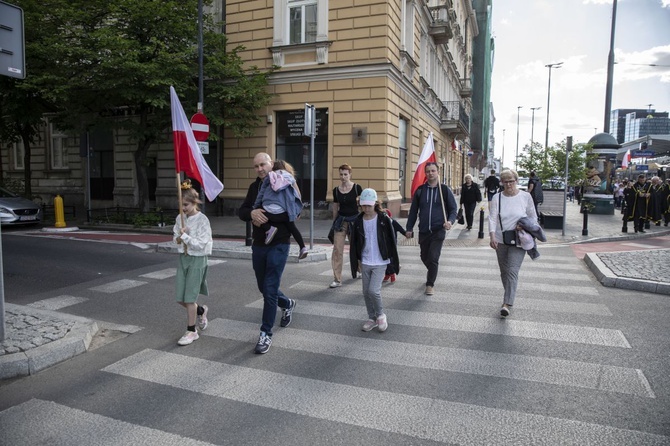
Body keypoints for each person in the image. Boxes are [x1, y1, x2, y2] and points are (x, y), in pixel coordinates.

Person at [239, 152, 296, 354]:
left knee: (270, 288)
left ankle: (265, 334)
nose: (260, 169)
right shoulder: (254, 187)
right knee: (263, 287)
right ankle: (287, 303)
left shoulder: (284, 182)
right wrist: (251, 213)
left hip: (279, 243)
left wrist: (273, 217)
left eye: (262, 164)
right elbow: (242, 210)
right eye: (256, 166)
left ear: (270, 164)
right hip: (260, 244)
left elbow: (295, 212)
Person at [488, 169, 538, 318]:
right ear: (501, 183)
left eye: (511, 181)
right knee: (504, 272)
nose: (509, 184)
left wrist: (523, 226)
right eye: (505, 181)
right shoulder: (497, 197)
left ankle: (507, 303)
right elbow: (492, 218)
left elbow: (533, 217)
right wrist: (492, 236)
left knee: (512, 270)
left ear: (516, 181)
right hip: (500, 239)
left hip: (519, 239)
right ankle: (509, 294)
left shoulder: (526, 196)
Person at [349, 188, 400, 332]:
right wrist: (357, 261)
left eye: (369, 206)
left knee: (373, 290)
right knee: (366, 291)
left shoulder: (383, 219)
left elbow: (391, 240)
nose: (366, 208)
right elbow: (355, 243)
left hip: (380, 261)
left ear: (375, 204)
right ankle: (371, 318)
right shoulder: (359, 220)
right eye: (363, 205)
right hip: (365, 260)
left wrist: (394, 261)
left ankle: (381, 315)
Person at [405, 162, 458, 295]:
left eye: (433, 171)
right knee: (424, 256)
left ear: (437, 172)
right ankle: (432, 271)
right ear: (425, 173)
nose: (430, 173)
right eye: (428, 171)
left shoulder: (444, 190)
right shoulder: (420, 191)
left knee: (433, 257)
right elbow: (413, 211)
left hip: (438, 230)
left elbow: (453, 209)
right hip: (423, 230)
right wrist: (409, 227)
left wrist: (450, 221)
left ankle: (430, 284)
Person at [173, 180, 213, 346]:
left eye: (186, 205)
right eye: (181, 205)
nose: (183, 209)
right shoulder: (180, 218)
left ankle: (191, 331)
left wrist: (186, 236)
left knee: (189, 299)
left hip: (198, 259)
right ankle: (201, 311)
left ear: (195, 203)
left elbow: (202, 244)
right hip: (184, 258)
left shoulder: (202, 220)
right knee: (180, 298)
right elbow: (175, 239)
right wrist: (179, 236)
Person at [253, 160, 308, 259]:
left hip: (269, 213)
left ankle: (269, 228)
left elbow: (261, 194)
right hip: (283, 213)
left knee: (258, 215)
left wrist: (256, 207)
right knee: (292, 227)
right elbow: (297, 195)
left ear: (273, 168)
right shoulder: (290, 177)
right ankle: (303, 247)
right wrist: (297, 211)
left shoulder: (269, 176)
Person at [329, 163, 363, 288]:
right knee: (337, 250)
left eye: (345, 174)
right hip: (341, 222)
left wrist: (363, 219)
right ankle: (337, 279)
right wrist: (334, 223)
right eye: (341, 174)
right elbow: (335, 207)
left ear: (350, 175)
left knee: (357, 247)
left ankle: (359, 269)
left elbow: (362, 205)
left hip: (354, 220)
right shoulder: (336, 191)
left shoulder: (357, 188)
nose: (343, 177)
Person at [382, 209, 408, 283]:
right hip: (383, 244)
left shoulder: (393, 222)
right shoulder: (381, 223)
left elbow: (401, 230)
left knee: (390, 259)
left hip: (392, 244)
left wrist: (406, 234)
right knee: (385, 260)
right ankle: (388, 274)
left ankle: (392, 273)